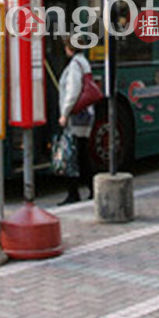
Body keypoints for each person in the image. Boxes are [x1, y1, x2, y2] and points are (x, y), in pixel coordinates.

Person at [57, 36, 95, 205]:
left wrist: (64, 113)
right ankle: (89, 188)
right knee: (81, 153)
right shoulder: (83, 62)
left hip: (76, 115)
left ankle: (74, 193)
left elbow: (73, 91)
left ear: (70, 48)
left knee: (72, 154)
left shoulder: (74, 66)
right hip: (85, 114)